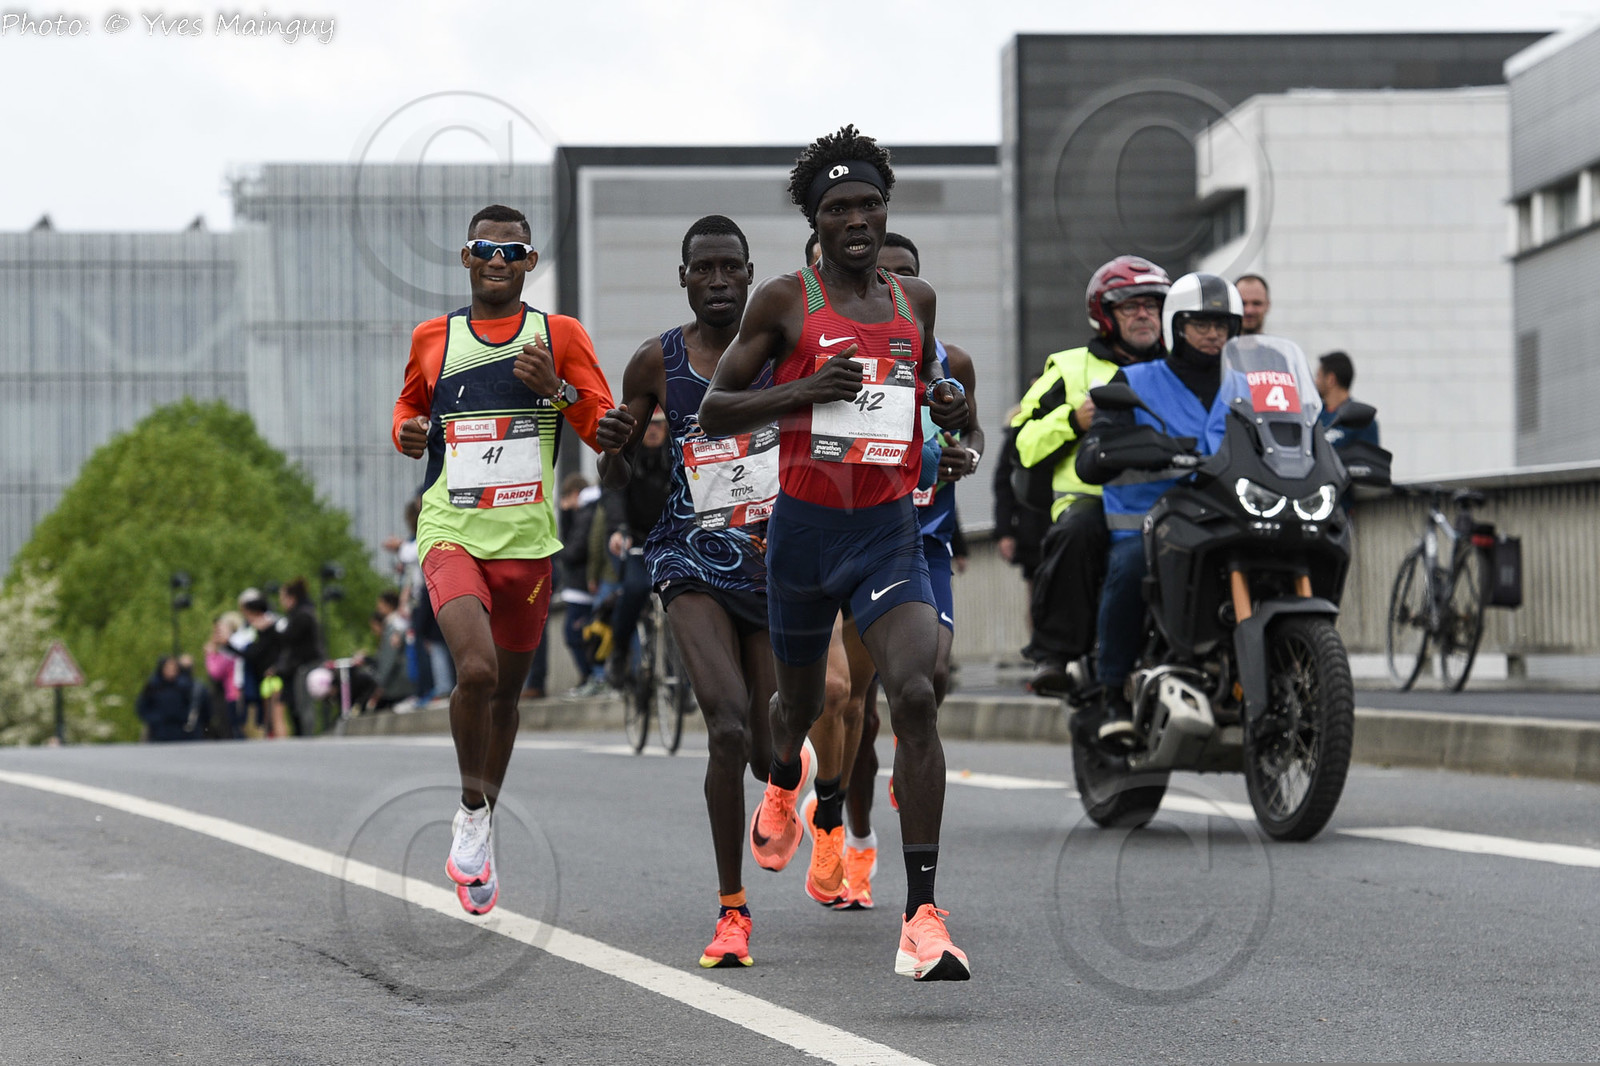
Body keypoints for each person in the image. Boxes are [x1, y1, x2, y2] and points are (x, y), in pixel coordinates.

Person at [699, 125, 972, 982]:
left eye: (868, 205)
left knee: (915, 693)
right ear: (815, 221)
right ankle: (785, 779)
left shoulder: (914, 301)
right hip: (805, 539)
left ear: (885, 210)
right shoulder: (784, 302)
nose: (856, 220)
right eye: (838, 208)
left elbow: (924, 384)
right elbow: (714, 411)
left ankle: (922, 917)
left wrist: (947, 402)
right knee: (801, 706)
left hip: (887, 532)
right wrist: (805, 390)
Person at [392, 203, 615, 916]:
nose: (498, 260)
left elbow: (604, 429)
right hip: (451, 530)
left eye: (512, 252)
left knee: (508, 700)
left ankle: (484, 818)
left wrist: (557, 390)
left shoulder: (561, 335)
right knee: (478, 672)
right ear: (466, 257)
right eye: (485, 249)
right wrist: (408, 432)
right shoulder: (434, 337)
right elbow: (407, 411)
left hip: (527, 546)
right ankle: (468, 808)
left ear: (530, 263)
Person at [595, 213, 779, 969]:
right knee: (726, 727)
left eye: (730, 267)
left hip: (773, 561)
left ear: (749, 273)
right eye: (703, 268)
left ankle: (787, 785)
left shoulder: (785, 351)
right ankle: (732, 910)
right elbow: (616, 470)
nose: (717, 280)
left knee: (770, 754)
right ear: (683, 279)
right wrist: (611, 447)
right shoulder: (657, 361)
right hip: (689, 555)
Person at [818, 231, 984, 915]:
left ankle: (909, 755)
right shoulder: (835, 357)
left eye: (904, 275)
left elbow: (972, 432)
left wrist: (965, 454)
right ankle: (852, 837)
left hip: (927, 539)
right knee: (852, 705)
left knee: (927, 681)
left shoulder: (950, 364)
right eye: (879, 273)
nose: (890, 286)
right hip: (856, 542)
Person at [1076, 273, 1244, 743]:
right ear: (1177, 326)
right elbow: (1093, 452)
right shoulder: (1134, 380)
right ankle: (1113, 691)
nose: (1213, 334)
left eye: (1222, 325)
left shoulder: (1248, 386)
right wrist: (1128, 446)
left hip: (1234, 517)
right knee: (1131, 567)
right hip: (1150, 523)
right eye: (1200, 324)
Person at [1012, 256, 1170, 696]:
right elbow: (1022, 442)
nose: (1143, 314)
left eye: (1152, 306)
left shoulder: (1179, 368)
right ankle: (1055, 655)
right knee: (1076, 532)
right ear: (1105, 315)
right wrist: (1071, 420)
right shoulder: (1069, 367)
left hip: (1168, 497)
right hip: (1092, 498)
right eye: (1130, 306)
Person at [598, 410, 676, 689]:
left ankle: (685, 678)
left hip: (671, 540)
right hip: (635, 540)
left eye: (659, 424)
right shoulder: (627, 456)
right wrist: (619, 530)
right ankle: (619, 653)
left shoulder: (676, 454)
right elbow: (613, 494)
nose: (653, 430)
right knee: (634, 588)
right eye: (648, 424)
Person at [554, 473, 606, 698]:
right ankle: (590, 677)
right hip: (581, 585)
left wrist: (558, 552)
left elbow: (575, 549)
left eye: (566, 499)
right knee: (580, 634)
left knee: (576, 634)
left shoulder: (586, 512)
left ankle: (592, 677)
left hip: (583, 586)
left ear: (575, 494)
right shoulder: (586, 511)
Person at [990, 408, 1050, 596]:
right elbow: (1004, 485)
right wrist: (1004, 531)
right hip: (1033, 530)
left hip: (1055, 525)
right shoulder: (1019, 430)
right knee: (1038, 593)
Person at [272, 577, 324, 736]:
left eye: (282, 598)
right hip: (303, 665)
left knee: (305, 704)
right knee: (301, 704)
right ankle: (304, 734)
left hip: (306, 665)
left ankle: (307, 735)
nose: (281, 602)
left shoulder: (302, 616)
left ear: (291, 598)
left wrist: (277, 630)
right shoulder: (303, 614)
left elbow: (290, 640)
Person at [1315, 350, 1379, 449]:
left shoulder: (1361, 420)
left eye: (1318, 376)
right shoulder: (1314, 416)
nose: (1315, 382)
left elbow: (1368, 458)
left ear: (1331, 379)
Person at [367, 590, 414, 712]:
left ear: (389, 605)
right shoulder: (402, 622)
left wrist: (380, 683)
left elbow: (389, 658)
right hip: (405, 680)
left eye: (381, 606)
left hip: (398, 684)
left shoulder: (393, 626)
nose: (379, 610)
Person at [136, 656, 200, 743]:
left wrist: (183, 718)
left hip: (180, 732)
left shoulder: (184, 686)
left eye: (174, 668)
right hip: (158, 732)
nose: (171, 670)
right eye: (168, 668)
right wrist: (155, 719)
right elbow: (142, 706)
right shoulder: (153, 686)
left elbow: (191, 706)